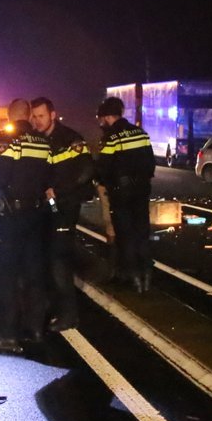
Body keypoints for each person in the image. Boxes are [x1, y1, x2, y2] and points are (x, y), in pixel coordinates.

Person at [0, 98, 51, 353]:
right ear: (28, 115)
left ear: (9, 116)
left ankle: (7, 336)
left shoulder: (9, 140)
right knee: (33, 274)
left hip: (12, 217)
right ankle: (36, 329)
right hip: (37, 215)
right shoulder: (42, 142)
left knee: (6, 276)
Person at [31, 96, 93, 332]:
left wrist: (59, 190)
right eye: (34, 116)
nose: (37, 121)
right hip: (48, 207)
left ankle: (69, 315)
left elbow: (86, 169)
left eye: (41, 116)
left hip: (64, 205)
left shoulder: (70, 138)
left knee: (59, 260)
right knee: (48, 257)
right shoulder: (37, 140)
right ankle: (55, 307)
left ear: (53, 115)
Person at [95, 96, 157, 291]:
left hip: (120, 193)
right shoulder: (141, 133)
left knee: (125, 235)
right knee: (142, 232)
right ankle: (146, 274)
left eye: (101, 118)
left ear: (107, 117)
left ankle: (134, 278)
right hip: (142, 190)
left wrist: (103, 182)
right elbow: (150, 163)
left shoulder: (111, 138)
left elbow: (103, 169)